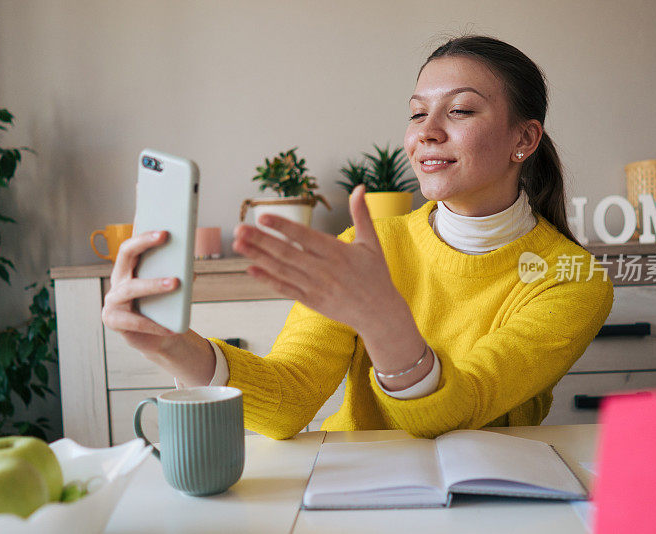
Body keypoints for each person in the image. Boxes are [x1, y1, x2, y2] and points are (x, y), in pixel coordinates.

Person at [102, 35, 613, 440]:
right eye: (417, 113)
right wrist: (174, 345)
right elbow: (288, 400)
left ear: (523, 139)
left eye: (459, 110)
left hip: (490, 503)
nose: (426, 132)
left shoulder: (571, 280)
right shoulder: (370, 248)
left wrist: (381, 317)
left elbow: (462, 405)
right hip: (352, 489)